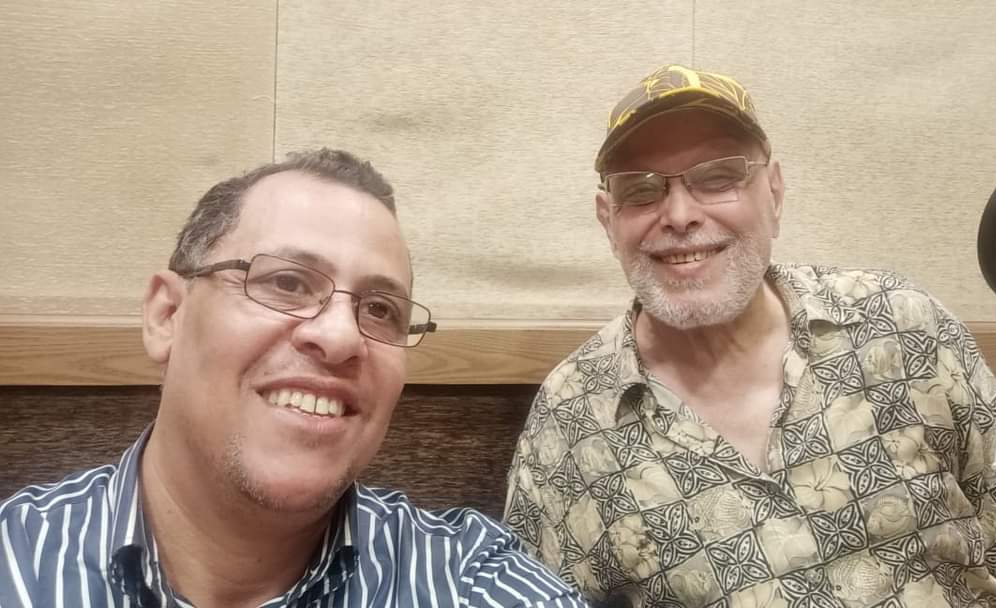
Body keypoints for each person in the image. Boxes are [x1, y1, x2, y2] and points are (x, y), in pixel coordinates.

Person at [503, 65, 996, 607]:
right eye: (641, 190)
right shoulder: (572, 417)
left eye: (717, 177)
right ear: (608, 220)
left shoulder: (901, 324)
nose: (678, 215)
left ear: (774, 194)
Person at [0, 149, 585, 607]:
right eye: (285, 282)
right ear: (167, 315)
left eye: (380, 309)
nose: (341, 337)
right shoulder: (17, 561)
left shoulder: (469, 583)